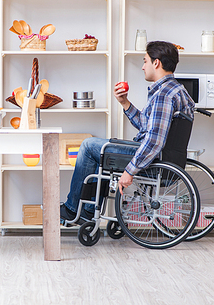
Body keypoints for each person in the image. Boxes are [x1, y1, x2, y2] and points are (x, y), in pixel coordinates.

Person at [60, 41, 195, 225]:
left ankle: (75, 209)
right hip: (165, 157)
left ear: (156, 63)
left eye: (145, 61)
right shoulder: (177, 90)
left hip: (154, 159)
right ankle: (88, 211)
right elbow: (147, 127)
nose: (142, 66)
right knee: (103, 152)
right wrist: (125, 103)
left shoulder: (164, 94)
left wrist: (130, 170)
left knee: (89, 145)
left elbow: (155, 141)